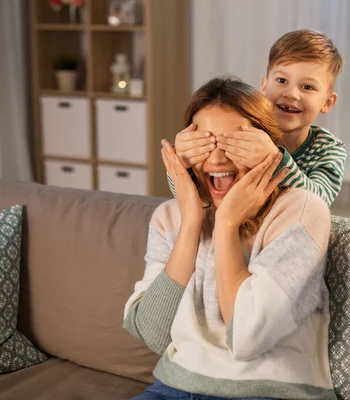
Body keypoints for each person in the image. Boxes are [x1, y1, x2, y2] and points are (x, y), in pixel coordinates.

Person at [124, 77, 335, 400]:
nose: (218, 160)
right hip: (171, 389)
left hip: (270, 393)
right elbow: (153, 333)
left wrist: (226, 225)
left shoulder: (302, 211)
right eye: (204, 144)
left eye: (233, 144)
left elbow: (246, 338)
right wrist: (192, 222)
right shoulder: (171, 217)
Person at [169, 29, 347, 205]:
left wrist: (274, 159)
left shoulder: (329, 149)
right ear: (264, 84)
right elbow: (191, 195)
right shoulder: (246, 127)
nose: (292, 94)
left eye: (307, 87)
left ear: (328, 102)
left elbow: (318, 202)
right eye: (282, 81)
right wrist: (180, 162)